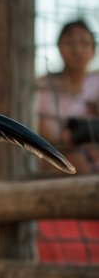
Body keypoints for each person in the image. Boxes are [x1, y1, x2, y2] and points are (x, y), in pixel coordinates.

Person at [37, 19, 99, 175]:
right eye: (70, 43)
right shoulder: (45, 85)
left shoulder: (96, 83)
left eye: (84, 43)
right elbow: (42, 132)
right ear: (59, 47)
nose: (77, 50)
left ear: (93, 49)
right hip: (56, 159)